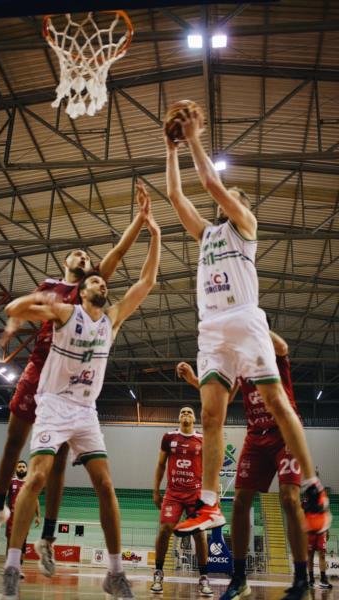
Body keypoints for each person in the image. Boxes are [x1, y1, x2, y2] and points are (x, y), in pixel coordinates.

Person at [163, 107, 331, 539]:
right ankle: (208, 502)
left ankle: (313, 486)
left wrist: (194, 137)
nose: (228, 200)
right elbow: (177, 198)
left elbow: (209, 184)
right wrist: (170, 147)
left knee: (277, 402)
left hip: (243, 316)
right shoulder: (206, 235)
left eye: (235, 197)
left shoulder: (246, 227)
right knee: (211, 414)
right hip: (211, 327)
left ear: (240, 207)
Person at [0, 182, 149, 577]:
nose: (83, 254)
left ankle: (47, 538)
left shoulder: (90, 287)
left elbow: (119, 252)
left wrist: (141, 220)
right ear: (64, 260)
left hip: (71, 379)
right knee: (13, 441)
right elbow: (26, 306)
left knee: (54, 463)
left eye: (87, 254)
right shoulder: (50, 288)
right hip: (41, 366)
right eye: (77, 251)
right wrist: (11, 320)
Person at [178, 327, 310, 600]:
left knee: (289, 497)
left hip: (284, 431)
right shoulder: (238, 362)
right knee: (240, 502)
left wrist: (249, 322)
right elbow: (225, 397)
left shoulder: (272, 352)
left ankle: (301, 580)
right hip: (256, 436)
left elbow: (283, 346)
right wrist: (194, 379)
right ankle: (239, 579)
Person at [151, 406, 211, 596]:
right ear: (179, 418)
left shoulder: (202, 439)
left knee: (199, 534)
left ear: (194, 419)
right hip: (173, 493)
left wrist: (210, 493)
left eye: (189, 412)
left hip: (195, 494)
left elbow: (210, 467)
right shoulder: (169, 437)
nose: (186, 414)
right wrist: (155, 491)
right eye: (182, 412)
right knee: (165, 529)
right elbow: (161, 464)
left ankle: (203, 578)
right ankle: (158, 574)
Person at [5, 460, 41, 578]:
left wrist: (38, 516)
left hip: (24, 518)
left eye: (23, 467)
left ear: (26, 469)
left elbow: (35, 500)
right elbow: (4, 495)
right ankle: (9, 567)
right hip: (11, 517)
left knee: (22, 544)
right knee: (10, 543)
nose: (21, 468)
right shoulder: (11, 481)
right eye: (19, 466)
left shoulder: (29, 483)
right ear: (16, 469)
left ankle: (18, 568)